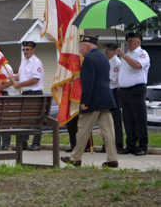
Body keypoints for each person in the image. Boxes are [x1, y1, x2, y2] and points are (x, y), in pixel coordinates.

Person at [61, 35, 118, 168]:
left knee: (82, 129)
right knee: (108, 130)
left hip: (93, 100)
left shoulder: (88, 59)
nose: (80, 50)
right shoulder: (103, 57)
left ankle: (76, 158)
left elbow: (87, 82)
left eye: (80, 47)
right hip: (106, 98)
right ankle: (112, 158)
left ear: (87, 45)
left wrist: (85, 101)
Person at [5, 41, 44, 151]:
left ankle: (36, 144)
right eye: (24, 49)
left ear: (33, 50)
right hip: (25, 94)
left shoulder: (36, 62)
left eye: (28, 49)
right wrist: (12, 78)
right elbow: (22, 76)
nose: (25, 51)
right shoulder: (24, 61)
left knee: (36, 120)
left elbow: (35, 79)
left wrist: (19, 84)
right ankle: (23, 143)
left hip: (34, 93)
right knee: (24, 119)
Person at [116, 32, 150, 156]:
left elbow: (137, 65)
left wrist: (123, 55)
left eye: (131, 40)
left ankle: (142, 145)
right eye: (127, 41)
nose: (128, 43)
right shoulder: (128, 55)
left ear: (138, 42)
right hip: (124, 92)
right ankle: (131, 145)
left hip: (136, 90)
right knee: (128, 119)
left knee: (139, 118)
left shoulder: (142, 53)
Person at [96, 43, 124, 153]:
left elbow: (110, 79)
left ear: (114, 51)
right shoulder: (106, 62)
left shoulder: (116, 63)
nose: (106, 52)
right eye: (105, 49)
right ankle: (107, 144)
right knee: (105, 120)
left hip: (113, 92)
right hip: (105, 91)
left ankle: (117, 145)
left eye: (108, 50)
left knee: (115, 120)